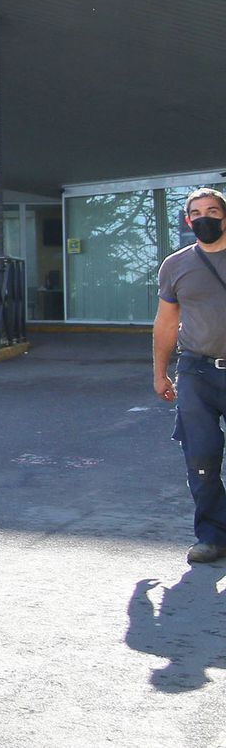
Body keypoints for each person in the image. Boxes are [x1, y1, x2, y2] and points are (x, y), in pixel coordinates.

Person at [154, 187, 226, 564]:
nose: (205, 218)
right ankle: (213, 537)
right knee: (201, 457)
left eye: (212, 211)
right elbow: (167, 322)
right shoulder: (175, 265)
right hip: (196, 370)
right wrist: (160, 373)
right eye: (196, 213)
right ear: (187, 220)